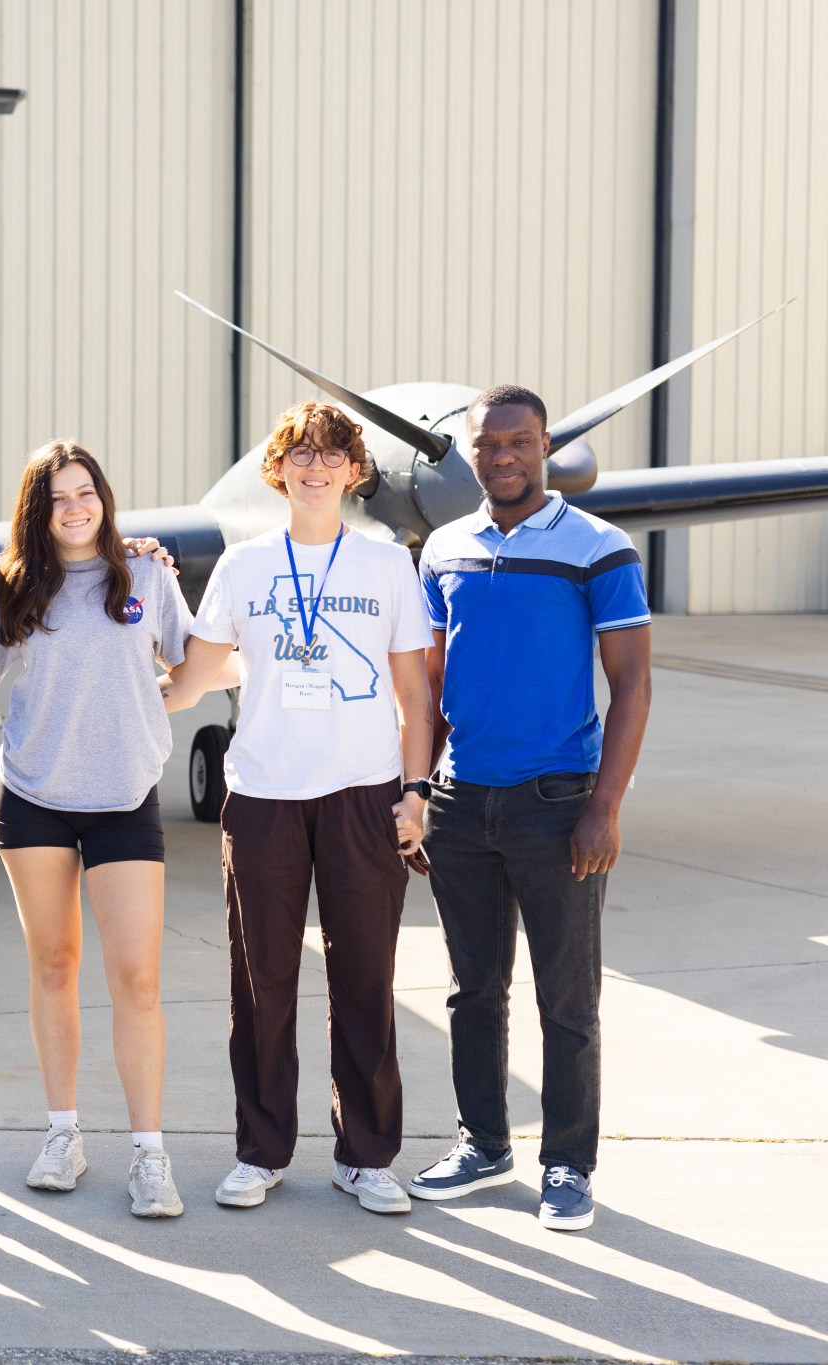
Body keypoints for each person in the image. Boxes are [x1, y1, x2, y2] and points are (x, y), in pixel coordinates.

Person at [163, 402, 434, 1217]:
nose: (314, 468)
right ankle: (262, 1149)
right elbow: (192, 679)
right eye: (299, 455)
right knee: (263, 981)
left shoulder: (387, 567)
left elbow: (416, 695)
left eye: (331, 456)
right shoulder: (243, 568)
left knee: (365, 981)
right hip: (265, 797)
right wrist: (138, 583)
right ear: (276, 469)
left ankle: (367, 1155)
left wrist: (416, 792)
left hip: (364, 794)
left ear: (354, 471)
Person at [408, 384, 652, 1232]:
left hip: (558, 803)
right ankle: (485, 1142)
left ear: (544, 445)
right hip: (461, 802)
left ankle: (567, 1164)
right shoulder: (442, 548)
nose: (503, 456)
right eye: (488, 444)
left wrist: (604, 807)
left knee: (567, 998)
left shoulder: (600, 547)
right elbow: (432, 683)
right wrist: (419, 793)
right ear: (469, 451)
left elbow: (632, 685)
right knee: (473, 989)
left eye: (519, 442)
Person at [0, 442, 192, 1219]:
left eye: (86, 491)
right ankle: (63, 1134)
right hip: (34, 794)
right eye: (59, 498)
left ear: (104, 497)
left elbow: (193, 665)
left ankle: (150, 1153)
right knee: (54, 965)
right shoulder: (13, 583)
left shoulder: (146, 573)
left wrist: (157, 706)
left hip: (124, 794)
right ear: (37, 510)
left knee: (138, 979)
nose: (76, 506)